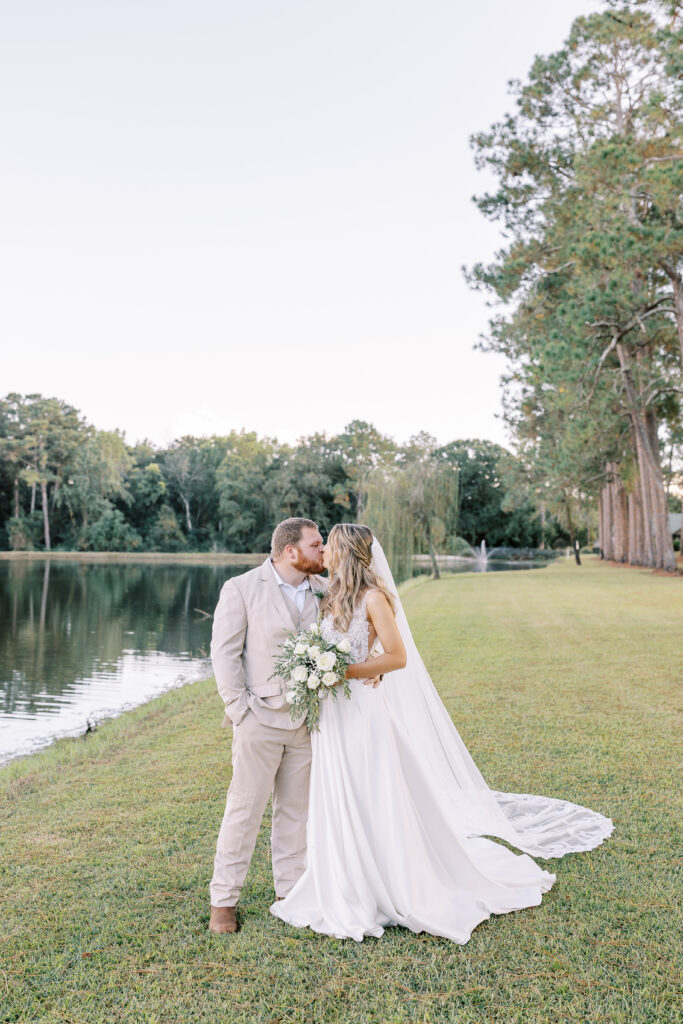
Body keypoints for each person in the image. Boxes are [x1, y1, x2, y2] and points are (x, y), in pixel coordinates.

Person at [271, 523, 614, 943]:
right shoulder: (330, 596)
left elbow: (397, 657)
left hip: (360, 710)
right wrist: (316, 670)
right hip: (332, 714)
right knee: (340, 792)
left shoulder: (374, 598)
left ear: (347, 552)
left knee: (371, 790)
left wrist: (347, 671)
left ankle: (389, 882)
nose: (323, 550)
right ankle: (343, 878)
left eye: (330, 545)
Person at [208, 517, 329, 935]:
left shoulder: (324, 590)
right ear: (290, 551)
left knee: (295, 812)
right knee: (244, 810)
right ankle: (224, 901)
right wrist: (240, 710)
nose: (323, 551)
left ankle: (289, 893)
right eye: (316, 545)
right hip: (258, 719)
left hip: (308, 721)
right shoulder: (241, 588)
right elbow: (224, 654)